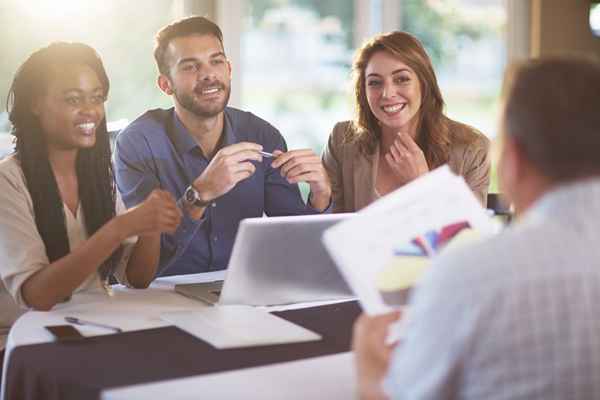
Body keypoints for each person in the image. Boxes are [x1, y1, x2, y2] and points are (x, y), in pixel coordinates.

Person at [352, 56, 600, 399]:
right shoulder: (347, 143)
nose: (387, 92)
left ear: (512, 160)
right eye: (375, 82)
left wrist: (369, 373)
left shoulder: (468, 275)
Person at [0, 43, 182, 361]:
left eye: (97, 98)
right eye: (73, 99)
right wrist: (119, 228)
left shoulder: (97, 175)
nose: (90, 111)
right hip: (24, 341)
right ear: (35, 105)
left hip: (94, 325)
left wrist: (150, 225)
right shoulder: (8, 181)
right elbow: (38, 295)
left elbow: (136, 278)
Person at [113, 16, 332, 276]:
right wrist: (199, 194)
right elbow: (142, 267)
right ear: (165, 84)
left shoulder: (261, 135)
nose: (208, 74)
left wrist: (321, 195)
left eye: (216, 62)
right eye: (190, 67)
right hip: (163, 294)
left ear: (228, 69)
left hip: (240, 290)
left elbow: (295, 243)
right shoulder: (138, 143)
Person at [322, 31, 490, 212]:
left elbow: (471, 237)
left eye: (401, 79)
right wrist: (319, 193)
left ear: (424, 84)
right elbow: (322, 226)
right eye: (375, 83)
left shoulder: (471, 150)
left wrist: (424, 184)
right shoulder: (342, 141)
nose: (387, 94)